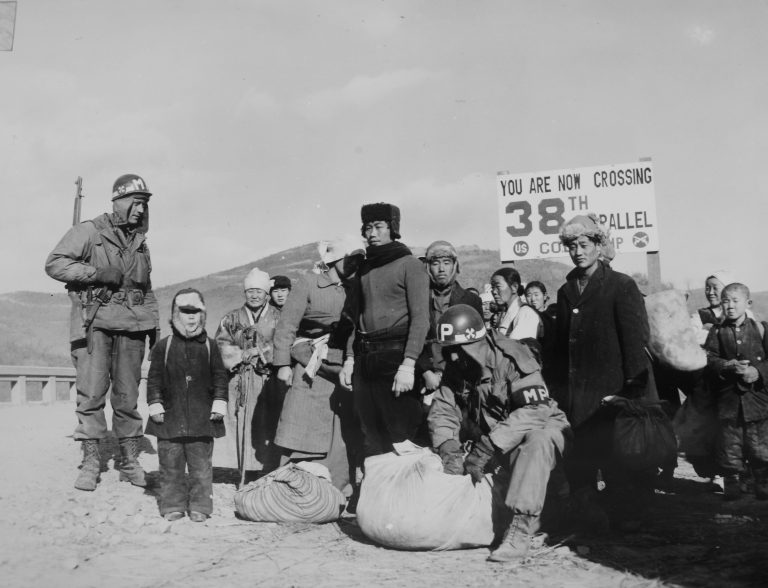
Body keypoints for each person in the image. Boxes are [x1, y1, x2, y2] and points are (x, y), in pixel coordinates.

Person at [45, 173, 159, 491]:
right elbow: (55, 263)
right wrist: (95, 273)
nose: (140, 210)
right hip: (94, 324)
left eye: (145, 204)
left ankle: (128, 460)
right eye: (136, 203)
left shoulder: (140, 243)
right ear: (120, 202)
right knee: (92, 394)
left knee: (127, 397)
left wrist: (155, 325)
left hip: (132, 327)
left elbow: (145, 288)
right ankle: (92, 461)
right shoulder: (89, 232)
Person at [433, 304, 570, 562]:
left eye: (458, 350)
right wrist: (447, 446)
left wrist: (487, 447)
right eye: (447, 350)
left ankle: (521, 530)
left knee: (537, 441)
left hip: (542, 430)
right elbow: (443, 408)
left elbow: (535, 410)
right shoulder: (458, 365)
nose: (451, 358)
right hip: (499, 443)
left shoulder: (513, 356)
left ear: (478, 343)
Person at [553, 213, 657, 529]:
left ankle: (628, 518)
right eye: (572, 246)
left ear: (599, 245)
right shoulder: (565, 290)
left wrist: (631, 392)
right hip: (577, 394)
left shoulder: (621, 286)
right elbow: (559, 348)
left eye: (584, 244)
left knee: (619, 463)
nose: (578, 251)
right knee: (581, 459)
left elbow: (634, 343)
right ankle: (588, 514)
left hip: (613, 393)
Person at [272, 236, 365, 493]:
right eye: (351, 259)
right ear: (335, 260)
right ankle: (295, 485)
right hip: (308, 363)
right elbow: (287, 324)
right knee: (302, 419)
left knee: (339, 427)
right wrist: (282, 364)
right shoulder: (309, 282)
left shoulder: (356, 287)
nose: (355, 264)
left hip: (340, 364)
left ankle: (336, 487)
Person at [339, 202, 430, 458]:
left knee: (402, 436)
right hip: (365, 360)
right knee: (372, 435)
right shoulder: (365, 267)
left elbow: (421, 319)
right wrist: (349, 359)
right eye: (367, 228)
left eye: (378, 227)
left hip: (396, 359)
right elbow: (355, 317)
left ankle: (407, 497)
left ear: (392, 229)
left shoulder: (410, 265)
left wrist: (409, 364)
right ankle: (376, 496)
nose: (372, 234)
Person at [145, 289, 228, 522]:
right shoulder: (164, 346)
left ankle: (200, 506)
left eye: (196, 312)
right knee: (170, 463)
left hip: (202, 418)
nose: (191, 317)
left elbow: (220, 377)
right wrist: (155, 404)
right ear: (175, 315)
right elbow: (154, 379)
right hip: (170, 418)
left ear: (203, 316)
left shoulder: (210, 347)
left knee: (201, 466)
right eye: (185, 312)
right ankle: (173, 504)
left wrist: (219, 403)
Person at [417, 240, 483, 472]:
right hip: (426, 378)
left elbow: (477, 346)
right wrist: (426, 370)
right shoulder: (418, 299)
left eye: (447, 262)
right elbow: (413, 338)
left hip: (459, 380)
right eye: (435, 263)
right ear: (428, 267)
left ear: (456, 265)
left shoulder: (470, 300)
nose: (441, 269)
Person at [215, 268, 281, 484]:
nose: (254, 295)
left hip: (269, 378)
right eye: (250, 291)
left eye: (259, 291)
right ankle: (246, 472)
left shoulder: (278, 317)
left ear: (266, 294)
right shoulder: (231, 318)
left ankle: (268, 471)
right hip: (240, 378)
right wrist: (241, 354)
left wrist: (262, 351)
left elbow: (285, 341)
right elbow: (221, 343)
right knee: (242, 422)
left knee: (269, 422)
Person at [704, 282, 768, 500]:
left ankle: (763, 489)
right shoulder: (716, 331)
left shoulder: (761, 329)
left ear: (747, 303)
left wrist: (758, 372)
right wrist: (726, 365)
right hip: (728, 403)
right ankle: (733, 490)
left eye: (735, 300)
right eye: (725, 301)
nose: (729, 306)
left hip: (757, 403)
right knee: (730, 450)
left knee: (761, 449)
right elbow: (710, 359)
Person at [489, 267, 540, 340]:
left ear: (514, 287)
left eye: (498, 286)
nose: (494, 291)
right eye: (492, 287)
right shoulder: (504, 313)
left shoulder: (526, 313)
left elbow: (519, 349)